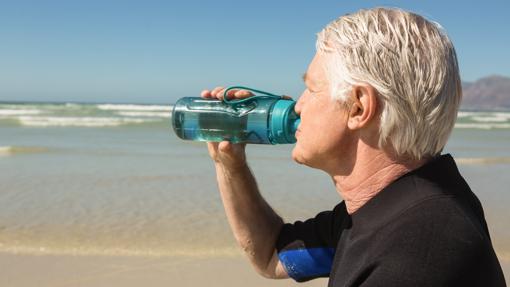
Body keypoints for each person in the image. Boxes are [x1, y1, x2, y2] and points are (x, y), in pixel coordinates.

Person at [200, 7, 506, 286]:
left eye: (311, 88)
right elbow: (272, 255)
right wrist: (230, 165)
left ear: (358, 108)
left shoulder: (418, 255)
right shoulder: (392, 207)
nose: (297, 106)